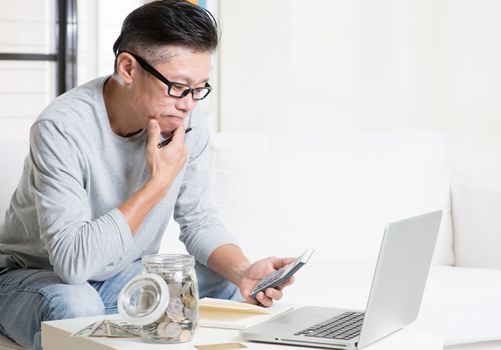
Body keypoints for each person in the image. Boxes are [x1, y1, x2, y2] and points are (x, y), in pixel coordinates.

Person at [0, 1, 294, 349]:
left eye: (199, 88)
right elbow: (73, 265)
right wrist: (158, 183)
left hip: (122, 278)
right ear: (128, 68)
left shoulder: (187, 119)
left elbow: (198, 220)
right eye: (178, 86)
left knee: (221, 282)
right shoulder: (62, 128)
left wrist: (244, 271)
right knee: (77, 304)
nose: (188, 103)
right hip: (36, 278)